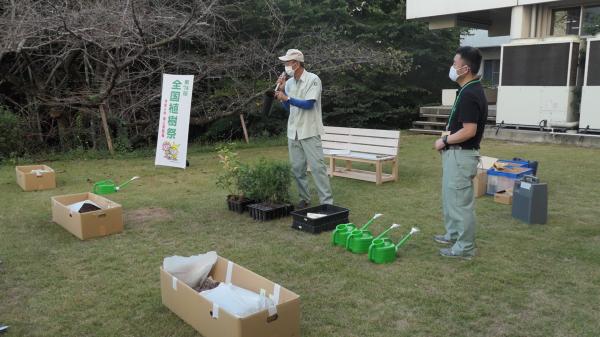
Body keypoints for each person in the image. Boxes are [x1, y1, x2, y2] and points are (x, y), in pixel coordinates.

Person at [433, 46, 488, 259]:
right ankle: (453, 234)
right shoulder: (467, 90)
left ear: (465, 68)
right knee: (451, 199)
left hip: (461, 154)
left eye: (455, 64)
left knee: (460, 203)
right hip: (456, 154)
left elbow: (469, 130)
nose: (452, 68)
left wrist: (444, 140)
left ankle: (464, 248)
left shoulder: (470, 92)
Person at [274, 49, 333, 209]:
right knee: (297, 168)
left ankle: (326, 202)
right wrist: (281, 93)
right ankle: (304, 199)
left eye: (288, 62)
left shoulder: (313, 79)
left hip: (310, 130)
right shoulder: (290, 83)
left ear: (297, 63)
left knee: (317, 167)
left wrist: (287, 97)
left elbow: (308, 104)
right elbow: (290, 107)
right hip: (293, 131)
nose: (285, 66)